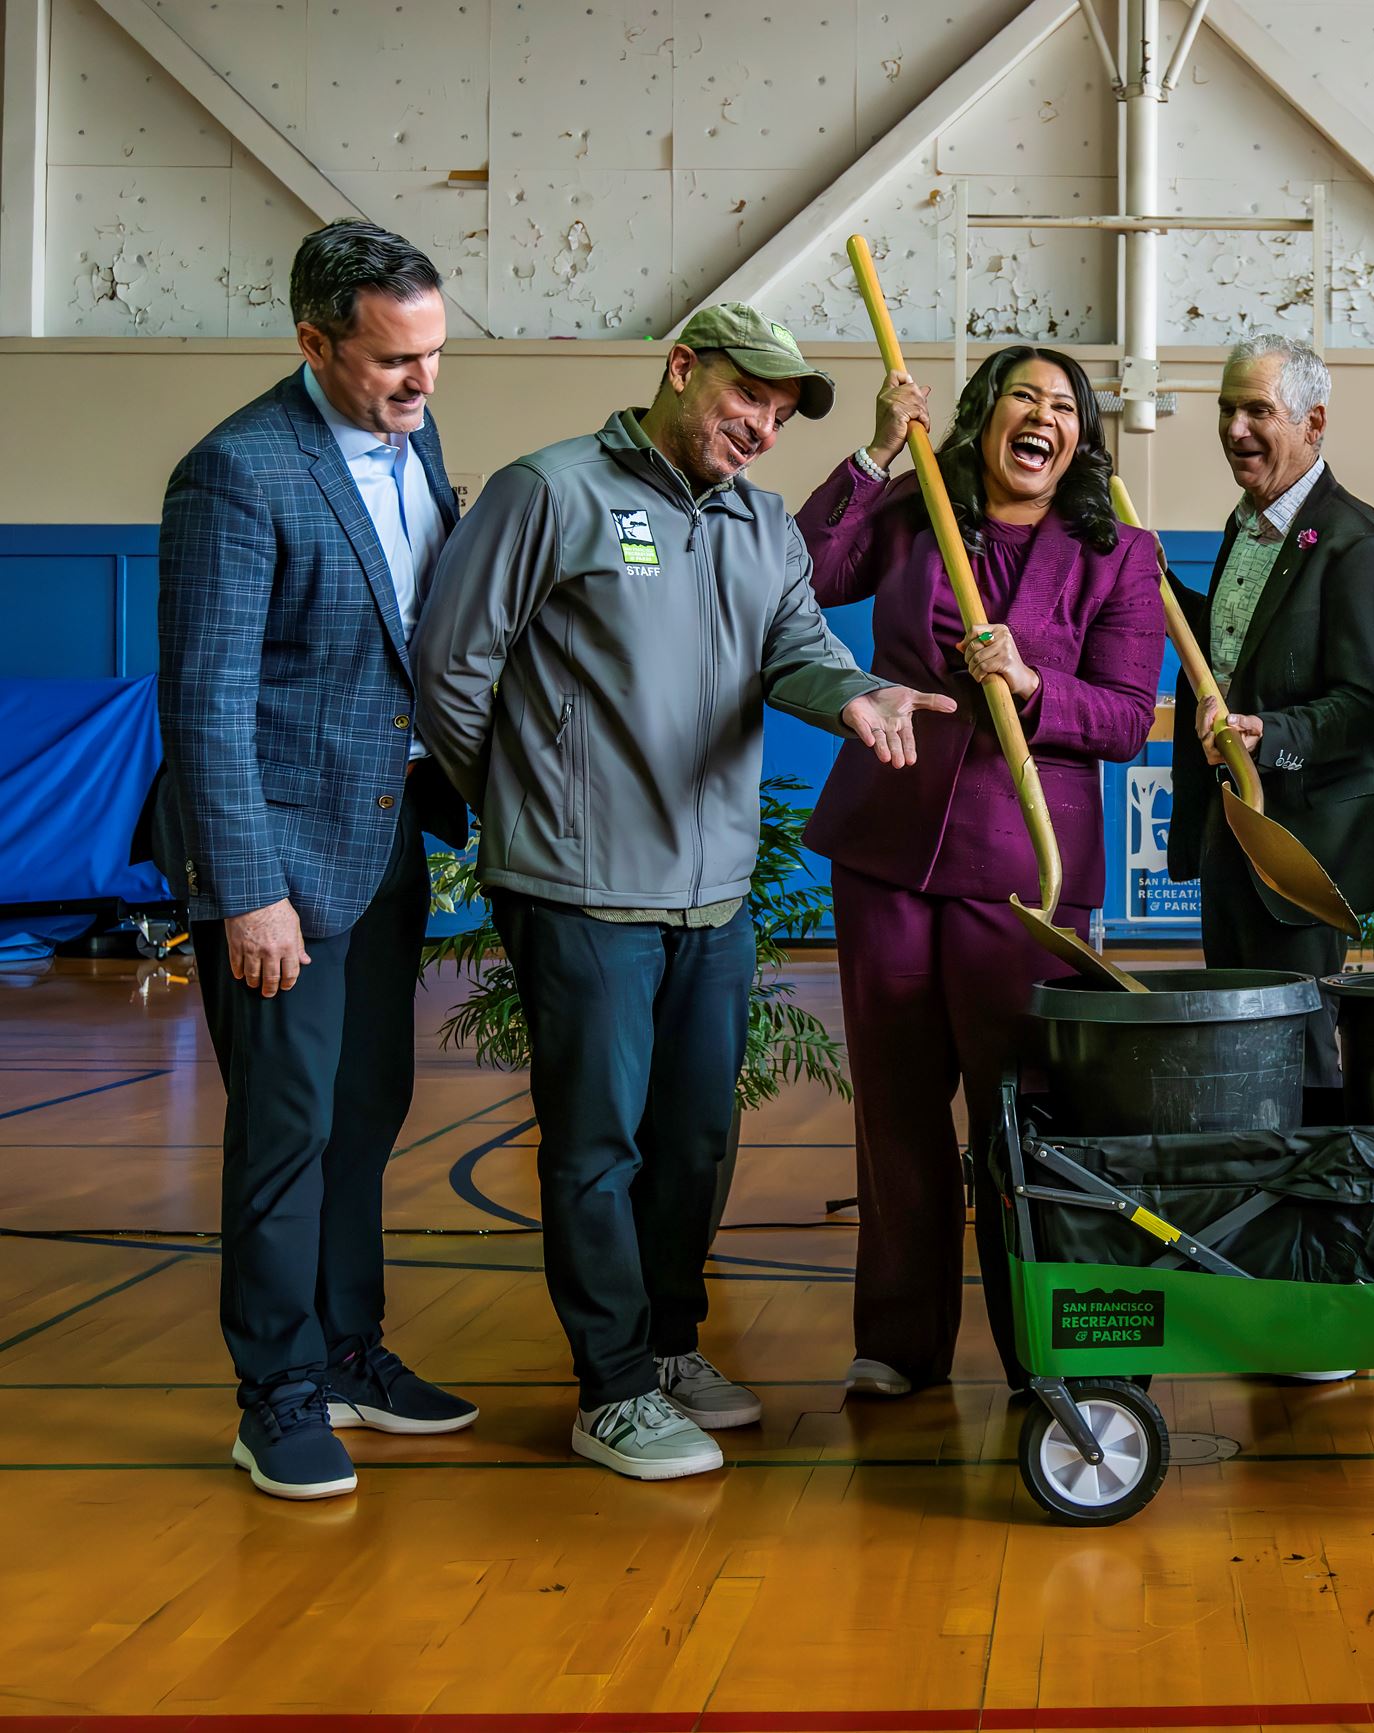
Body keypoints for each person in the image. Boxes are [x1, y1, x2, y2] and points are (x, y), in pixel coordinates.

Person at [417, 304, 913, 1480]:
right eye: (749, 398)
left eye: (782, 416)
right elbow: (452, 668)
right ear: (681, 368)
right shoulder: (551, 492)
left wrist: (849, 694)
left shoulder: (758, 526)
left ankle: (668, 1344)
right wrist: (531, 807)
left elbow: (792, 643)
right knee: (595, 1147)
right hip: (579, 889)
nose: (762, 428)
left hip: (713, 893)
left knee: (694, 1137)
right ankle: (612, 1386)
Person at [156, 219, 478, 1501]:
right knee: (285, 1136)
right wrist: (249, 892)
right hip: (277, 864)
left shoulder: (419, 437)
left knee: (364, 1116)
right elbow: (204, 702)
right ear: (313, 342)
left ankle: (349, 1351)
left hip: (386, 838)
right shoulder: (234, 472)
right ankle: (275, 1396)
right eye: (396, 360)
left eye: (436, 354)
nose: (422, 382)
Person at [796, 345, 1164, 1401]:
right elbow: (810, 571)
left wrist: (1034, 681)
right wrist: (872, 449)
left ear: (1080, 439)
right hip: (889, 847)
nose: (1040, 417)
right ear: (981, 417)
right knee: (898, 1107)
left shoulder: (1119, 554)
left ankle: (1041, 1346)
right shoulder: (919, 506)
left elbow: (1128, 720)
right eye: (1021, 398)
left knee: (1024, 1109)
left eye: (1062, 406)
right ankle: (899, 1341)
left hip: (1026, 868)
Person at [1168, 333, 1374, 1098]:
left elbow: (1364, 706)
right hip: (1234, 824)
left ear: (1314, 423)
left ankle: (1313, 1206)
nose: (1236, 428)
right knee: (1238, 1036)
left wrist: (1268, 736)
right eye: (1227, 408)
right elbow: (1242, 647)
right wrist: (1162, 589)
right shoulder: (1249, 521)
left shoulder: (1358, 544)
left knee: (1301, 1049)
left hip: (1306, 843)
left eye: (1257, 410)